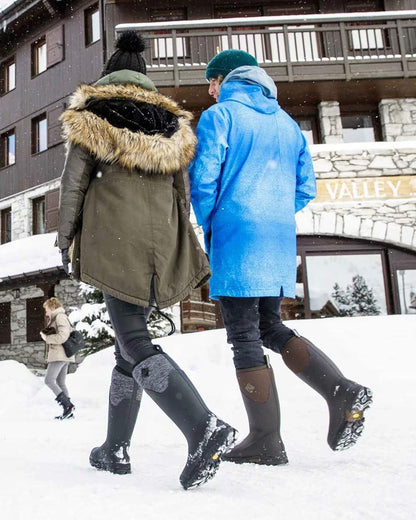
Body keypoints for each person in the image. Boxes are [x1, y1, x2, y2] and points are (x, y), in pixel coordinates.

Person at [57, 31, 236, 490]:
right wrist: (183, 242)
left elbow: (74, 184)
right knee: (125, 350)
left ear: (108, 75)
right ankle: (115, 449)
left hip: (113, 237)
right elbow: (181, 193)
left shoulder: (91, 115)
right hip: (159, 240)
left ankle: (202, 428)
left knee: (134, 340)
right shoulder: (172, 124)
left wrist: (64, 239)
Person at [189, 49, 373, 466]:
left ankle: (265, 440)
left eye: (211, 82)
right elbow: (306, 187)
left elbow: (203, 180)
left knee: (243, 335)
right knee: (270, 325)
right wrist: (271, 212)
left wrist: (214, 221)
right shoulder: (288, 124)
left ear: (224, 80)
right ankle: (340, 390)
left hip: (237, 236)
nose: (209, 90)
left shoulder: (221, 117)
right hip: (275, 241)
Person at [40, 297, 75, 420]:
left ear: (53, 307)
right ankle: (68, 411)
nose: (46, 312)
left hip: (59, 355)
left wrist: (47, 338)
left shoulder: (60, 317)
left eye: (46, 309)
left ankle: (68, 406)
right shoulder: (57, 317)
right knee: (60, 383)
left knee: (49, 380)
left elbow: (63, 336)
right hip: (62, 355)